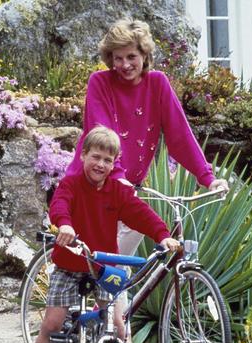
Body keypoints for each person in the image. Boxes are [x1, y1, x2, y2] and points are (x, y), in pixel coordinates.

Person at [64, 19, 228, 259]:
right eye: (117, 58)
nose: (125, 64)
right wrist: (117, 176)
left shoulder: (157, 83)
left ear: (144, 54)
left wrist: (207, 178)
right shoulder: (100, 83)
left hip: (126, 189)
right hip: (93, 183)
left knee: (116, 269)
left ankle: (110, 291)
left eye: (131, 56)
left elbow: (179, 136)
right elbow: (101, 135)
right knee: (95, 266)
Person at [30, 126, 180, 343]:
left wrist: (162, 235)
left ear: (114, 164)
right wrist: (65, 226)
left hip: (101, 267)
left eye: (107, 160)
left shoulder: (118, 191)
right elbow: (60, 206)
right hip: (69, 265)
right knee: (51, 324)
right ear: (83, 155)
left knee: (119, 325)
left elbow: (141, 214)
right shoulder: (71, 184)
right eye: (95, 157)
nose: (100, 164)